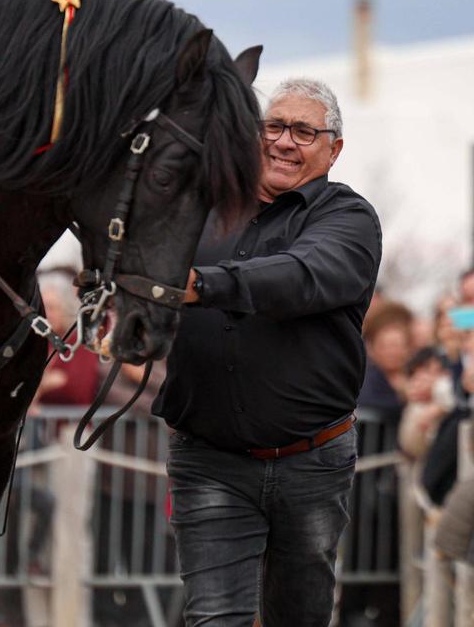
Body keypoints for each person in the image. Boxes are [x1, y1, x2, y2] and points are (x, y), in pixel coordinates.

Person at [153, 77, 381, 627]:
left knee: (297, 618)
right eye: (273, 127)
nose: (283, 141)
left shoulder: (348, 218)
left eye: (304, 131)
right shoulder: (196, 209)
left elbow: (305, 275)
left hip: (313, 457)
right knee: (214, 618)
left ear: (334, 149)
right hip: (208, 457)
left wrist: (201, 285)